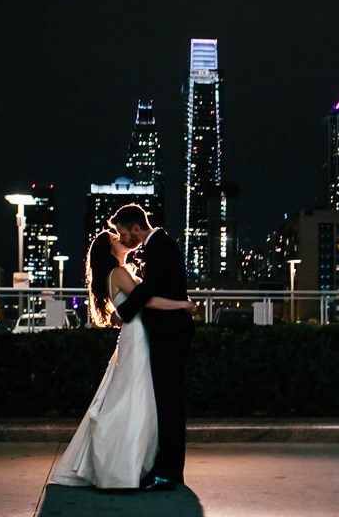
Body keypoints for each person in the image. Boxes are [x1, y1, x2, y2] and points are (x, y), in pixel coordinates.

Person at [50, 230, 194, 489]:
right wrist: (181, 305)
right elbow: (147, 301)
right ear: (110, 249)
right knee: (135, 395)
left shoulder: (118, 274)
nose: (122, 239)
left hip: (135, 335)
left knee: (132, 395)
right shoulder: (119, 274)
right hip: (137, 338)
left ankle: (132, 463)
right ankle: (126, 464)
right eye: (116, 238)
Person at [109, 203, 195, 492]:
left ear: (136, 228)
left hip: (171, 334)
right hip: (167, 333)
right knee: (165, 403)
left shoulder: (160, 246)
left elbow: (148, 290)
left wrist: (122, 313)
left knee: (169, 405)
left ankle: (169, 473)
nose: (122, 238)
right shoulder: (156, 246)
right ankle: (164, 469)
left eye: (123, 232)